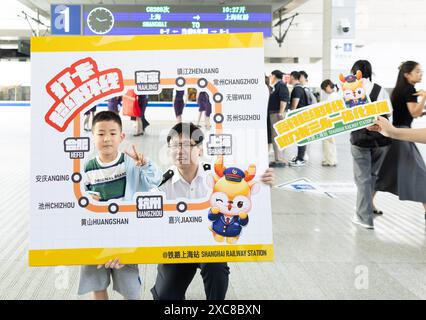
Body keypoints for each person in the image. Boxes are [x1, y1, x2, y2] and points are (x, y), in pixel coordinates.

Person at [150, 122, 274, 300]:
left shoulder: (217, 178)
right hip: (177, 246)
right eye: (175, 145)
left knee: (216, 270)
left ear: (199, 149)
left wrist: (264, 181)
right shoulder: (161, 184)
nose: (179, 151)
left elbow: (244, 190)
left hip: (210, 244)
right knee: (164, 295)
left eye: (186, 145)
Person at [78, 111, 163, 300]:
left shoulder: (131, 163)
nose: (106, 138)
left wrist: (145, 163)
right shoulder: (86, 168)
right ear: (93, 137)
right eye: (100, 134)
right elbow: (80, 203)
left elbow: (155, 181)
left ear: (121, 136)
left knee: (131, 289)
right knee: (97, 286)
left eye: (112, 133)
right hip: (96, 237)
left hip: (126, 236)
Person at [375, 61, 426, 221]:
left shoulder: (399, 89)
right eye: (417, 71)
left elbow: (409, 112)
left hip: (395, 134)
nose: (421, 74)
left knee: (383, 172)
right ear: (407, 74)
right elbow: (414, 112)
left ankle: (367, 202)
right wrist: (424, 97)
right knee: (420, 173)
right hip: (402, 136)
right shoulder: (410, 89)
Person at [347, 60, 393, 229]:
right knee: (371, 176)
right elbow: (388, 114)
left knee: (362, 179)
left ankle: (364, 217)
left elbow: (344, 117)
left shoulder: (351, 91)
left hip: (360, 140)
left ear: (354, 72)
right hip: (381, 141)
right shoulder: (380, 90)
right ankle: (368, 208)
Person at [267, 70, 289, 168]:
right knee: (275, 137)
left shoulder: (281, 86)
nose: (270, 77)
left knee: (277, 137)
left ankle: (279, 159)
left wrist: (281, 112)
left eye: (271, 75)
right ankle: (278, 158)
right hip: (274, 113)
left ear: (274, 76)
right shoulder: (276, 86)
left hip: (277, 114)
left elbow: (283, 99)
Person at [288, 71, 309, 167]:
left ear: (293, 77)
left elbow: (294, 105)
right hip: (303, 116)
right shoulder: (301, 88)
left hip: (299, 117)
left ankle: (300, 159)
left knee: (301, 138)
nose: (288, 79)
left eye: (289, 77)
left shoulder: (297, 89)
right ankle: (300, 157)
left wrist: (290, 114)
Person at [320, 79, 339, 166]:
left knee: (328, 141)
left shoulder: (333, 96)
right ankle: (332, 160)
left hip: (330, 121)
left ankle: (330, 161)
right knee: (330, 141)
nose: (324, 91)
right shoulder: (334, 95)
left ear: (328, 86)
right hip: (332, 120)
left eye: (324, 89)